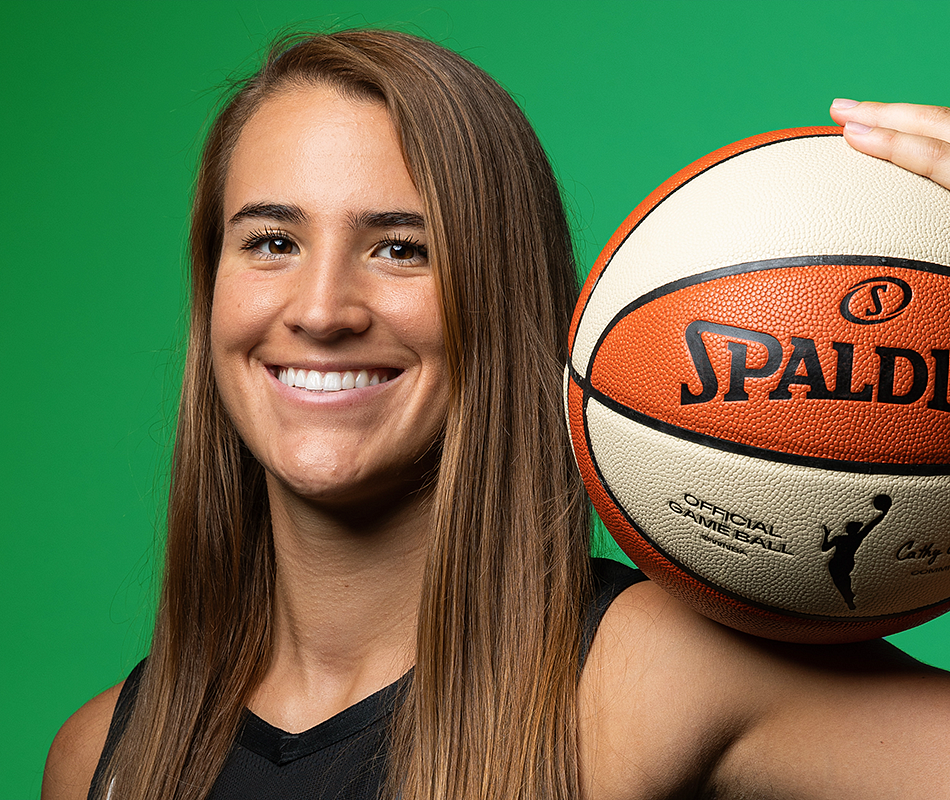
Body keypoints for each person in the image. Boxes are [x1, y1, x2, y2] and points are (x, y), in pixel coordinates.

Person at [41, 29, 950, 800]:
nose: (320, 310)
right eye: (272, 242)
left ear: (502, 296)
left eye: (403, 248)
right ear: (211, 291)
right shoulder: (101, 759)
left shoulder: (651, 673)